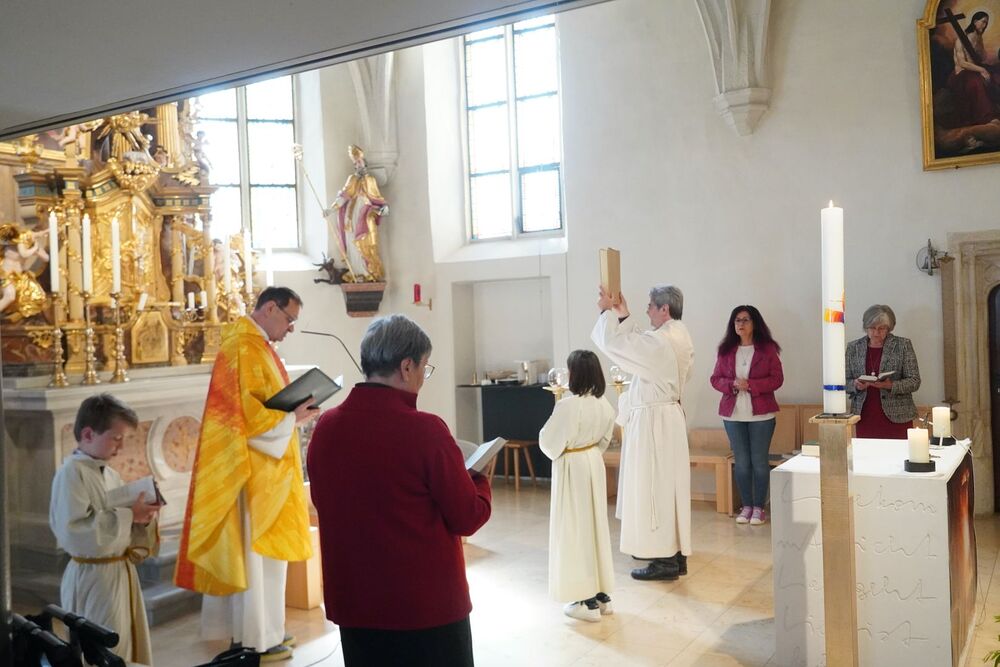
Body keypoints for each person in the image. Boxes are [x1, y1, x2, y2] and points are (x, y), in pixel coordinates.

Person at [307, 314, 491, 667]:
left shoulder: (326, 427)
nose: (423, 377)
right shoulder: (425, 430)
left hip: (357, 604)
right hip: (424, 609)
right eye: (425, 367)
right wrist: (479, 480)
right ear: (407, 367)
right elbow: (467, 517)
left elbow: (325, 503)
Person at [175, 286, 318, 662]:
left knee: (267, 562)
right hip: (252, 474)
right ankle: (256, 640)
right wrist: (292, 418)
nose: (290, 328)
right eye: (289, 319)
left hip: (266, 471)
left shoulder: (257, 346)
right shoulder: (243, 347)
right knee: (257, 560)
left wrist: (292, 415)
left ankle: (268, 632)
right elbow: (246, 418)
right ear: (269, 308)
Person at [591, 284, 694, 581]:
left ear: (664, 309)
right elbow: (641, 346)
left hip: (654, 424)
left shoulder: (662, 341)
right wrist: (624, 316)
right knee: (668, 488)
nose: (647, 310)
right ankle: (675, 553)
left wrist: (607, 312)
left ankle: (663, 560)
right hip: (666, 418)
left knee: (654, 488)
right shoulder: (678, 334)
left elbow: (618, 346)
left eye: (650, 305)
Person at [49, 394, 161, 665]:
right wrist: (129, 515)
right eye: (116, 438)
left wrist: (143, 518)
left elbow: (122, 523)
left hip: (119, 572)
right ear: (88, 434)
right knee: (105, 650)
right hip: (93, 576)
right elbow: (75, 532)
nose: (121, 447)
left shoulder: (110, 474)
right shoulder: (71, 474)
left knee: (124, 644)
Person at [539, 349, 616, 622]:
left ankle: (584, 600)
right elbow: (605, 440)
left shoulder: (569, 406)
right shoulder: (604, 404)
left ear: (575, 374)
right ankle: (602, 595)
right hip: (593, 461)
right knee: (595, 528)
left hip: (572, 466)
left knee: (574, 529)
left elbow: (549, 443)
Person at [709, 306, 784, 526]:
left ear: (754, 323)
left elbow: (777, 379)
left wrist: (751, 385)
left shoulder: (767, 349)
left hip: (761, 415)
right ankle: (746, 506)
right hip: (733, 415)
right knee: (741, 463)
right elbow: (715, 379)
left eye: (745, 320)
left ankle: (759, 507)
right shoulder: (726, 350)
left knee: (759, 462)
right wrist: (732, 384)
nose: (740, 324)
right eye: (737, 320)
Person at [846, 304, 921, 439]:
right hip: (865, 416)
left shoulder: (902, 345)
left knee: (898, 452)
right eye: (872, 328)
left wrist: (890, 385)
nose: (876, 332)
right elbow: (844, 382)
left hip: (898, 416)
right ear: (865, 327)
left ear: (889, 328)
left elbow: (914, 381)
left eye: (881, 328)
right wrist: (856, 385)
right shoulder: (853, 347)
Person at [324, 145, 388, 282]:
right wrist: (330, 210)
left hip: (365, 215)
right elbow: (343, 197)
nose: (358, 165)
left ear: (365, 162)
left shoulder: (370, 180)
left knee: (366, 242)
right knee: (352, 243)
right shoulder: (352, 179)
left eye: (360, 161)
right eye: (356, 163)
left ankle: (368, 272)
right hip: (351, 216)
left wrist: (384, 208)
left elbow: (377, 198)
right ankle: (356, 272)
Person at [947, 11, 1000, 129]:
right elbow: (962, 63)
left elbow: (982, 58)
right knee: (976, 81)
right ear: (975, 21)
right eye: (983, 22)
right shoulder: (961, 40)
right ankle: (987, 117)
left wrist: (980, 46)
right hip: (961, 74)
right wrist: (982, 70)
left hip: (974, 69)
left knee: (996, 74)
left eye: (986, 23)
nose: (985, 25)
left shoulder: (978, 38)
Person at [0, 223, 49, 321]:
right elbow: (24, 254)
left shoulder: (31, 245)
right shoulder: (10, 244)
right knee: (10, 295)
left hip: (20, 277)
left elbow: (46, 258)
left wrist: (36, 250)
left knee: (37, 294)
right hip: (5, 275)